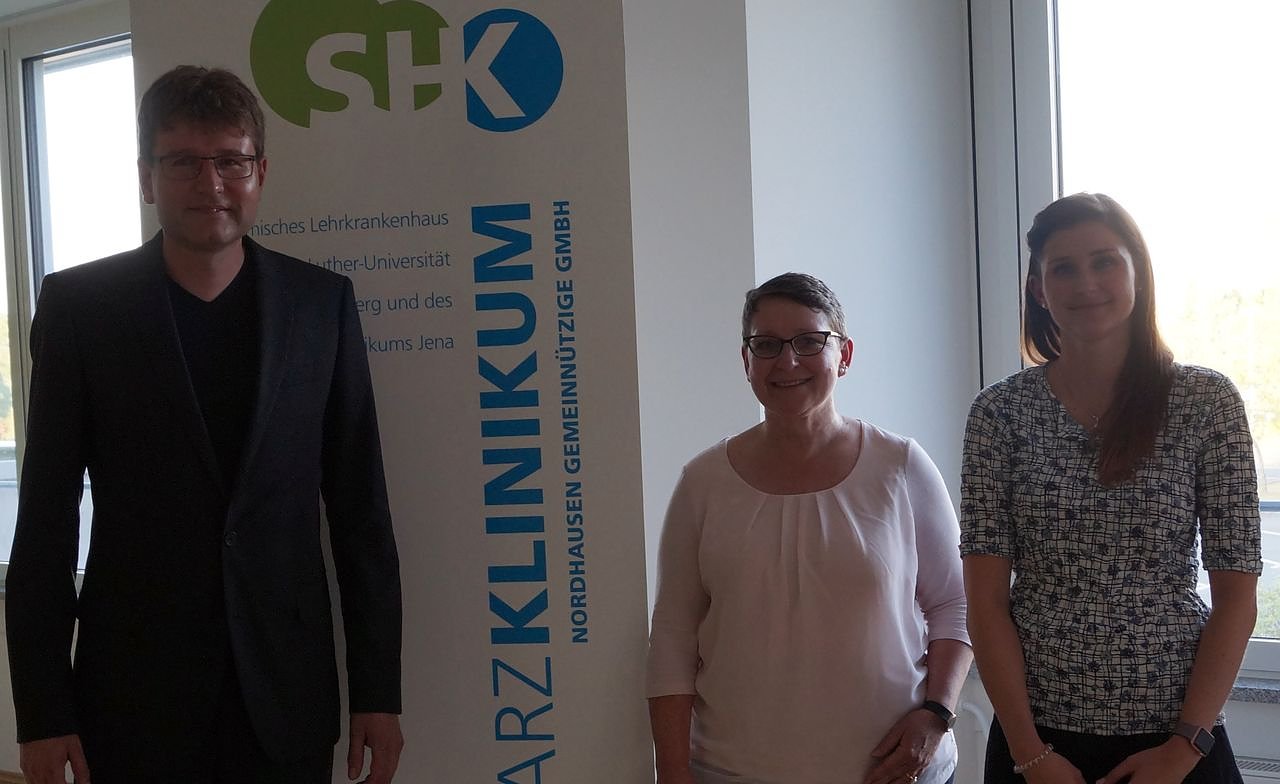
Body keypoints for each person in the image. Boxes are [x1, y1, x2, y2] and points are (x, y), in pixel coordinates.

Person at [5, 65, 404, 784]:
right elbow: (45, 521)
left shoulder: (321, 305)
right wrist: (43, 711)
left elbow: (361, 513)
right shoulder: (80, 309)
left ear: (260, 172)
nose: (210, 183)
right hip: (132, 697)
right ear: (146, 178)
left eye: (230, 161)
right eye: (182, 162)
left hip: (285, 695)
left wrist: (378, 691)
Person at [960, 193, 1261, 784]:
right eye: (1063, 268)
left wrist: (1185, 747)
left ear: (1137, 274)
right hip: (1038, 739)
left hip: (1177, 736)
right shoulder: (1000, 413)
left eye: (1104, 262)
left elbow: (1236, 595)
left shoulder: (1205, 402)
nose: (1086, 283)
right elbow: (986, 603)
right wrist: (1030, 754)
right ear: (1039, 289)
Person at [646, 272, 972, 784]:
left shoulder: (902, 466)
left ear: (844, 355)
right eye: (767, 345)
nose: (788, 361)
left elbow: (956, 603)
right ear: (746, 361)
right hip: (734, 772)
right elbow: (672, 637)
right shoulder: (702, 483)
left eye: (809, 341)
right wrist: (672, 772)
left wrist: (938, 714)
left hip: (894, 773)